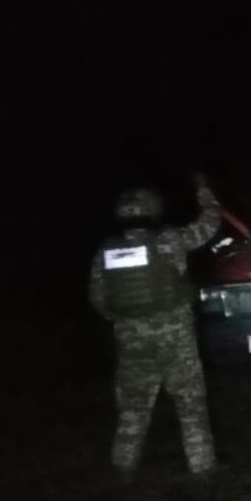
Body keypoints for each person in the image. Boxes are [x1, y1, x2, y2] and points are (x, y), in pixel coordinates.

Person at [88, 173, 223, 481]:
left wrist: (126, 320)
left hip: (131, 341)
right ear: (153, 209)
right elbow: (210, 223)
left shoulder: (106, 251)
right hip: (176, 338)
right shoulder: (170, 240)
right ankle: (203, 470)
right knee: (190, 404)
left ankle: (123, 470)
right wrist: (204, 190)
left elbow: (98, 298)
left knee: (132, 408)